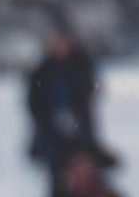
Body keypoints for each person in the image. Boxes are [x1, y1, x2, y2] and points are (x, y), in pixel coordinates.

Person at [25, 25, 106, 173]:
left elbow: (91, 91)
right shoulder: (43, 70)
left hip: (78, 129)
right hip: (51, 132)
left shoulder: (81, 65)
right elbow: (33, 101)